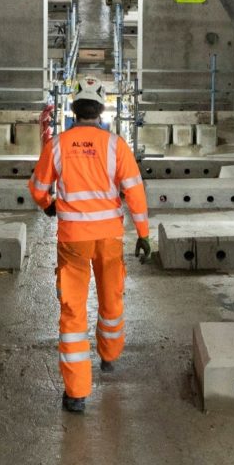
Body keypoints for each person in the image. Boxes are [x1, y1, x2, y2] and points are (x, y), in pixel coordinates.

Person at [28, 83, 150, 414]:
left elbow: (38, 187)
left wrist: (49, 205)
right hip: (109, 238)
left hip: (73, 240)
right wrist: (143, 233)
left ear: (74, 110)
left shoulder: (58, 145)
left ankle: (77, 393)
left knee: (72, 310)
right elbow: (135, 193)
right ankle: (109, 356)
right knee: (112, 297)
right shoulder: (115, 146)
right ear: (101, 111)